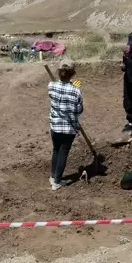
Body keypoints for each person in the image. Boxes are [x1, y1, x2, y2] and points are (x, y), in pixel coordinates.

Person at [47, 59, 83, 191]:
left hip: (55, 126)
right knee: (63, 153)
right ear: (73, 74)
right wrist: (74, 87)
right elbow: (79, 110)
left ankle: (52, 176)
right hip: (69, 128)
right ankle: (56, 182)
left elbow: (54, 93)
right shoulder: (76, 91)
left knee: (56, 150)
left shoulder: (51, 86)